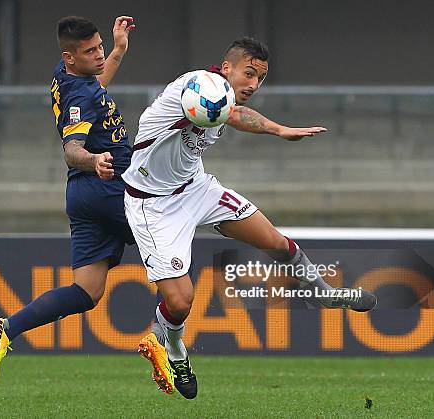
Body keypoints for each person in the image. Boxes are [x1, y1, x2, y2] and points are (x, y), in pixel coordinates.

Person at [122, 37, 378, 399]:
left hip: (197, 188)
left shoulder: (221, 100)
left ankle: (325, 296)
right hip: (154, 204)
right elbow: (208, 106)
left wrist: (278, 129)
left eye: (260, 78)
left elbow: (235, 114)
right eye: (249, 74)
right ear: (226, 68)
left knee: (276, 242)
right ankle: (176, 352)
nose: (254, 85)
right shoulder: (195, 87)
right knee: (180, 302)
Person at [0, 15, 136, 382]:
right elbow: (72, 149)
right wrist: (95, 159)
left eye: (99, 47)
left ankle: (5, 330)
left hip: (82, 195)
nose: (98, 54)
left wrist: (118, 52)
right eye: (91, 51)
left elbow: (95, 88)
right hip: (108, 183)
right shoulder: (79, 92)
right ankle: (168, 342)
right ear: (70, 57)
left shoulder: (68, 77)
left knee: (86, 291)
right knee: (169, 238)